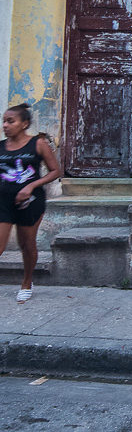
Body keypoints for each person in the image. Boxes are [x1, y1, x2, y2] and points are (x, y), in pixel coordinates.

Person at [0, 104, 61, 303]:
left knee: (26, 244)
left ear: (24, 124)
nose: (5, 125)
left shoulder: (38, 143)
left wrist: (30, 186)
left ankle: (27, 282)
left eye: (11, 121)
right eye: (4, 121)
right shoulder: (0, 147)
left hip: (31, 202)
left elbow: (55, 172)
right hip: (3, 202)